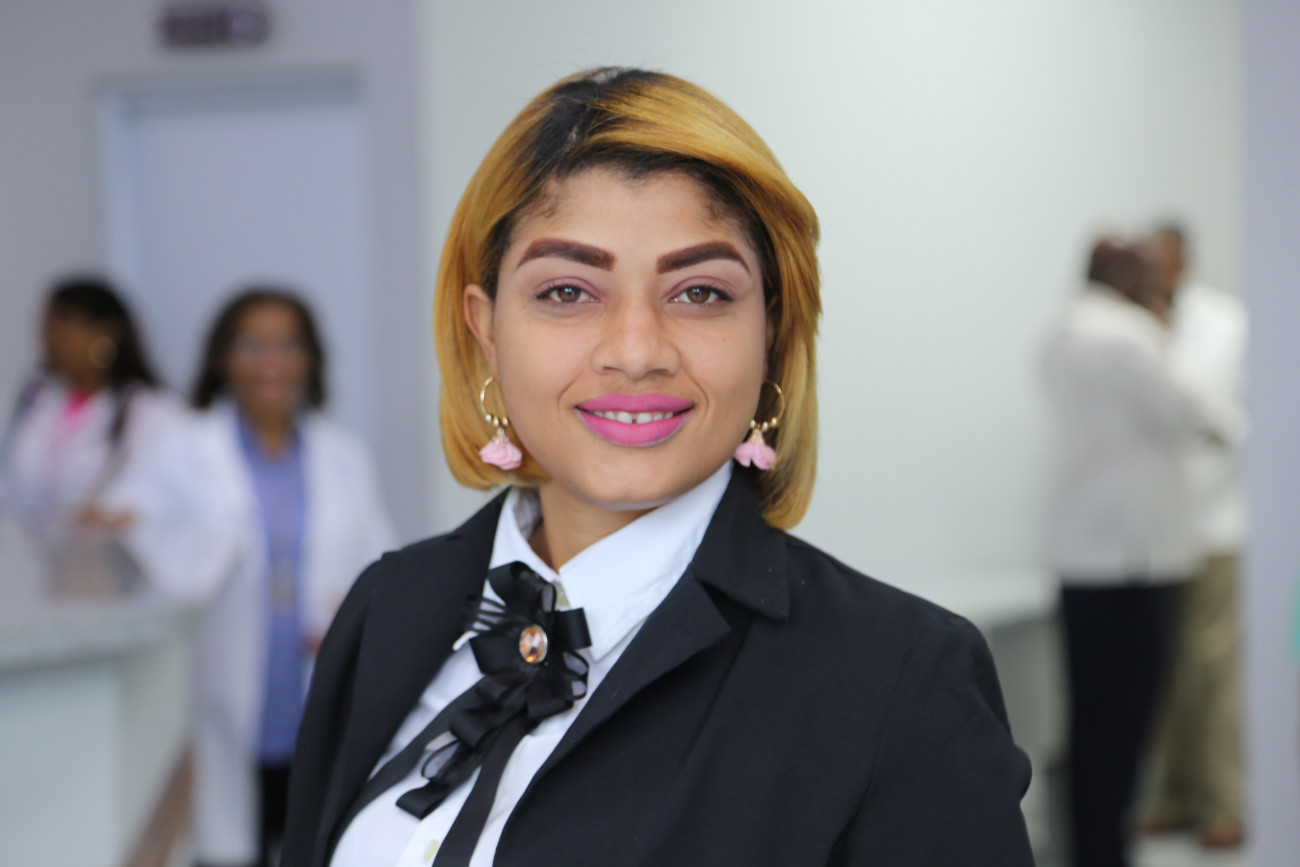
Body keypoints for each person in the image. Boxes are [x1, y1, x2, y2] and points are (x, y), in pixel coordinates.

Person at [281, 68, 1033, 867]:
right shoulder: (388, 606)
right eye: (567, 291)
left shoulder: (897, 678)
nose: (636, 351)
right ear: (487, 330)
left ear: (771, 333)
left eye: (700, 293)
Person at [102, 288, 396, 867]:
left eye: (287, 345)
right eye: (250, 345)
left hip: (313, 691)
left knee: (316, 843)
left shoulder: (343, 454)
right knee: (225, 844)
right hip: (217, 694)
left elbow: (383, 565)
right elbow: (120, 530)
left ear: (309, 358)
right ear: (222, 358)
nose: (270, 362)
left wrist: (348, 612)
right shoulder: (183, 448)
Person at [1040, 237, 1241, 867]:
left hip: (1083, 558)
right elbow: (1203, 414)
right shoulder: (1129, 336)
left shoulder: (1061, 332)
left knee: (1091, 721)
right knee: (1124, 726)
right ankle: (1107, 854)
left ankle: (1092, 849)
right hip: (1134, 561)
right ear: (1125, 276)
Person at [1143, 223, 1248, 848]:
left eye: (1163, 259)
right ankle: (1177, 795)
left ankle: (1225, 802)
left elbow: (1234, 420)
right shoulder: (1135, 324)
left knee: (1215, 673)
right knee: (1169, 671)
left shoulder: (1228, 324)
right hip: (1156, 531)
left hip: (1216, 525)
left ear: (1185, 261)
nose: (1155, 270)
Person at [0, 275, 180, 556]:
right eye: (45, 331)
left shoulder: (155, 413)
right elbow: (10, 486)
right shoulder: (33, 398)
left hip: (110, 566)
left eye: (61, 330)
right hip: (30, 564)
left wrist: (113, 512)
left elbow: (163, 497)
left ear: (105, 332)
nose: (48, 342)